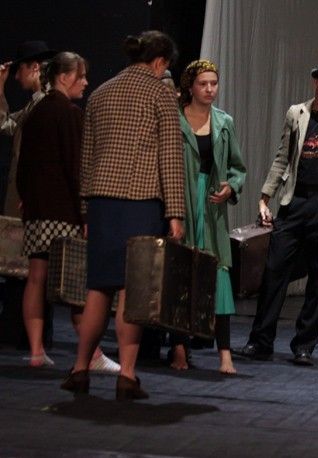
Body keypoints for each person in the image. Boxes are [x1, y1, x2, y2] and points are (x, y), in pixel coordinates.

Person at [61, 31, 184, 400]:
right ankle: (127, 375)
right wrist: (175, 213)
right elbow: (170, 158)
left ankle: (80, 369)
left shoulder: (100, 93)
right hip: (140, 202)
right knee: (133, 290)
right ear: (160, 62)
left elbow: (86, 158)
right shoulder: (160, 93)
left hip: (101, 203)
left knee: (98, 288)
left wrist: (86, 209)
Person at [233, 55, 318, 366]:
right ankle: (260, 341)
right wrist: (265, 197)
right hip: (294, 202)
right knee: (274, 272)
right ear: (316, 81)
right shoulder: (297, 112)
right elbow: (282, 157)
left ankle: (304, 345)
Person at [16, 52, 118, 373]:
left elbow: (22, 165)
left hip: (38, 210)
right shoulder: (69, 113)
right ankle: (93, 354)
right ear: (64, 77)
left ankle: (36, 351)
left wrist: (27, 198)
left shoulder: (36, 111)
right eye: (81, 76)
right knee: (76, 282)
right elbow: (77, 168)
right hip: (63, 211)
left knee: (36, 277)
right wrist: (85, 214)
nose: (86, 82)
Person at [170, 59, 246, 374]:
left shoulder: (224, 122)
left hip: (212, 208)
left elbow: (237, 168)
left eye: (214, 83)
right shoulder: (175, 119)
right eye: (203, 84)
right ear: (190, 86)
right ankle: (179, 349)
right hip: (183, 201)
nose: (210, 89)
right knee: (181, 275)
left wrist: (231, 187)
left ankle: (225, 355)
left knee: (220, 277)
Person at [0, 41, 55, 217]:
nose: (16, 77)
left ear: (35, 67)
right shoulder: (33, 103)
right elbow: (5, 124)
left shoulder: (48, 103)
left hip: (32, 200)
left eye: (20, 69)